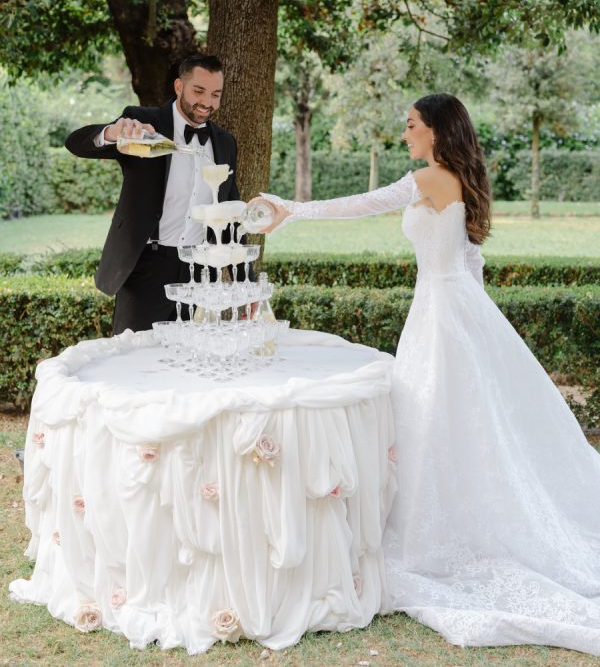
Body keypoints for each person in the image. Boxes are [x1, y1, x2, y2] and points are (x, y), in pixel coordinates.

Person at [252, 93, 600, 656]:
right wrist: (479, 322)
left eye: (413, 125)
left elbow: (364, 204)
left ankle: (429, 534)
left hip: (442, 313)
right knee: (447, 415)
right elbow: (470, 260)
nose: (406, 133)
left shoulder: (429, 178)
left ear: (436, 130)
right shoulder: (457, 178)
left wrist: (292, 209)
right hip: (450, 306)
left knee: (430, 412)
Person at [66, 54, 247, 334]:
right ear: (179, 87)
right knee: (135, 355)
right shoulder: (142, 123)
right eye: (199, 91)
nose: (207, 102)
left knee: (195, 353)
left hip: (201, 274)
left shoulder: (225, 142)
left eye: (215, 94)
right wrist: (112, 133)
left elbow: (230, 212)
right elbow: (76, 143)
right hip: (146, 267)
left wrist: (244, 281)